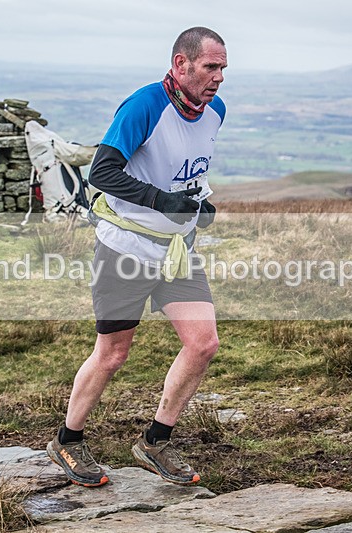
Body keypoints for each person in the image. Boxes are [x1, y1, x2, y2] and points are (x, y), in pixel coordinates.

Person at [46, 27, 227, 487]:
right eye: (211, 67)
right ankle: (67, 442)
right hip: (125, 248)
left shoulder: (214, 111)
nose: (219, 78)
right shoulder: (145, 106)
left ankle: (155, 441)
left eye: (223, 68)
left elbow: (190, 169)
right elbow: (102, 173)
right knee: (113, 354)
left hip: (176, 252)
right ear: (180, 64)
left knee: (203, 343)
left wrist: (200, 203)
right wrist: (162, 202)